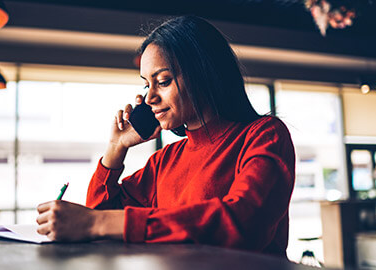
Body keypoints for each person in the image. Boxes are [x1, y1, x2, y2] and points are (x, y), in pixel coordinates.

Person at [36, 15, 295, 257]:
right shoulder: (166, 160)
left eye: (163, 81)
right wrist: (116, 147)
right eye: (146, 84)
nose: (149, 98)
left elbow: (244, 224)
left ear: (204, 74)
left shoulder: (264, 134)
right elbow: (100, 215)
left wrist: (100, 223)